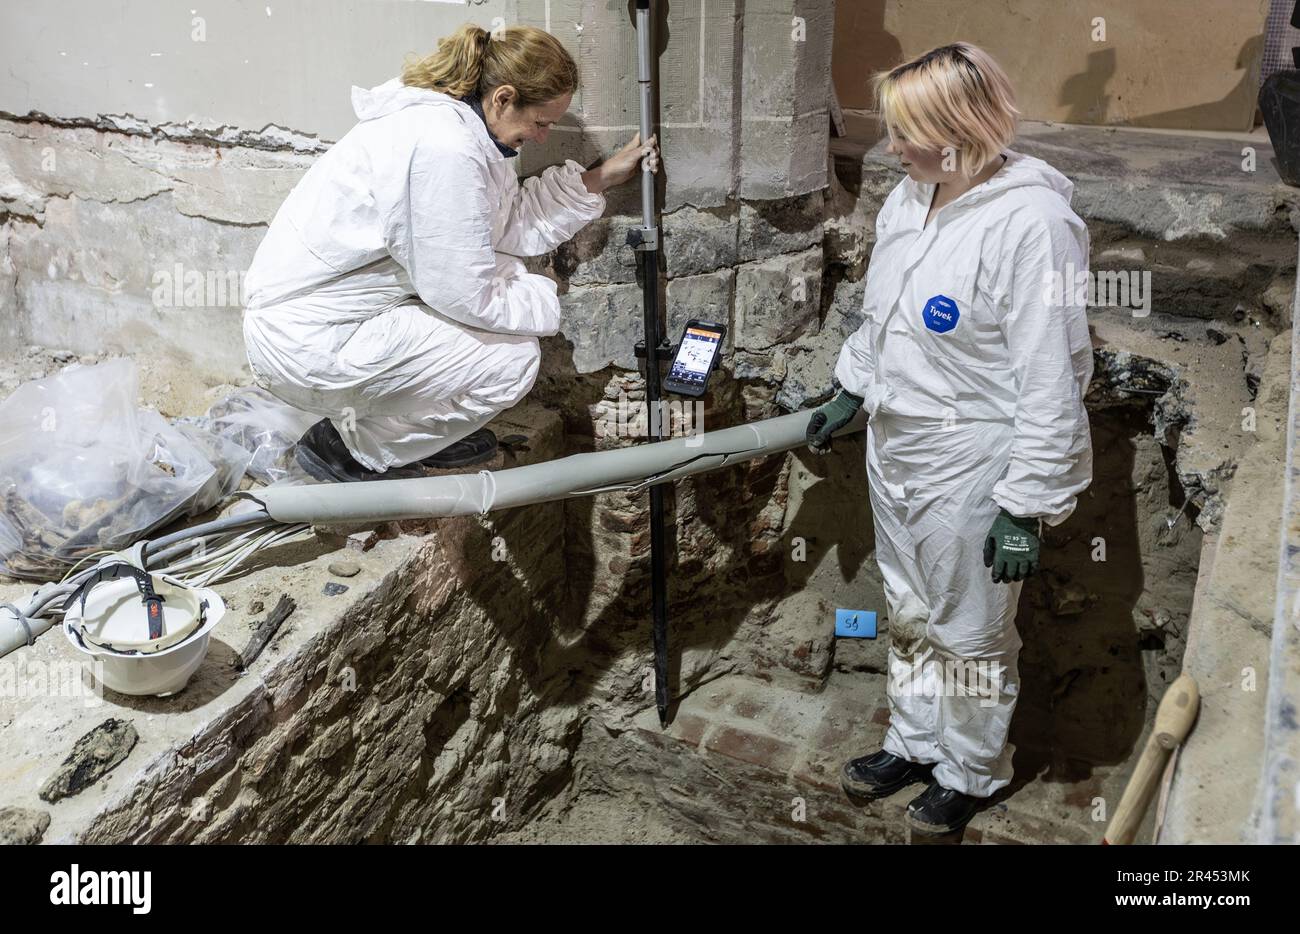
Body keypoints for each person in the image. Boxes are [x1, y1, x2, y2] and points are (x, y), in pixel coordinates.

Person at [805, 42, 1093, 835]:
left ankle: (969, 769)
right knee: (907, 603)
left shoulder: (1034, 225)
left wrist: (1027, 505)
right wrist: (852, 385)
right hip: (898, 443)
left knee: (968, 626)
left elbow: (1053, 376)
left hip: (974, 459)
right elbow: (883, 309)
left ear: (959, 130)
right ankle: (914, 739)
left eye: (906, 134)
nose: (892, 150)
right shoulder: (910, 196)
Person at [243, 24, 658, 482]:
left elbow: (506, 223)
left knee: (499, 322)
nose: (542, 137)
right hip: (310, 343)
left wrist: (601, 177)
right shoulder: (444, 149)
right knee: (511, 362)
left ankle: (407, 431)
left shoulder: (460, 130)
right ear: (502, 98)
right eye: (540, 122)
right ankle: (350, 448)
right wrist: (543, 300)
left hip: (325, 324)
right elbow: (464, 293)